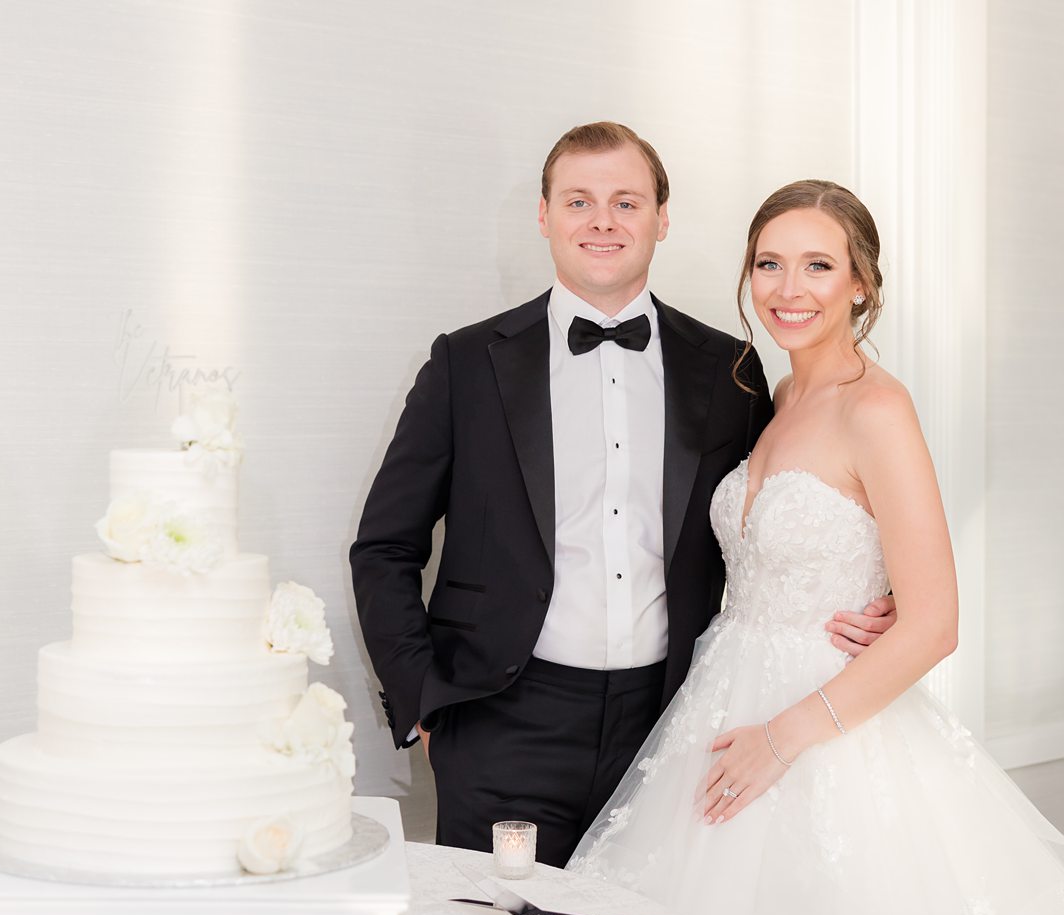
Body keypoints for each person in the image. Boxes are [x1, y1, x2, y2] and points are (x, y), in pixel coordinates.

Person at [569, 180, 1064, 915]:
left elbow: (934, 624)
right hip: (720, 703)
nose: (789, 289)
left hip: (823, 728)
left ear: (861, 283)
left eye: (819, 264)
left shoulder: (879, 408)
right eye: (769, 264)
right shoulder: (776, 399)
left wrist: (781, 740)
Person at [349, 125, 897, 867]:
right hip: (503, 732)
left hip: (673, 729)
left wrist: (877, 595)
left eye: (626, 202)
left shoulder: (730, 372)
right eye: (579, 200)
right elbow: (385, 546)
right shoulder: (465, 365)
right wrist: (424, 702)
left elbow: (783, 512)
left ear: (661, 218)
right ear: (544, 215)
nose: (603, 221)